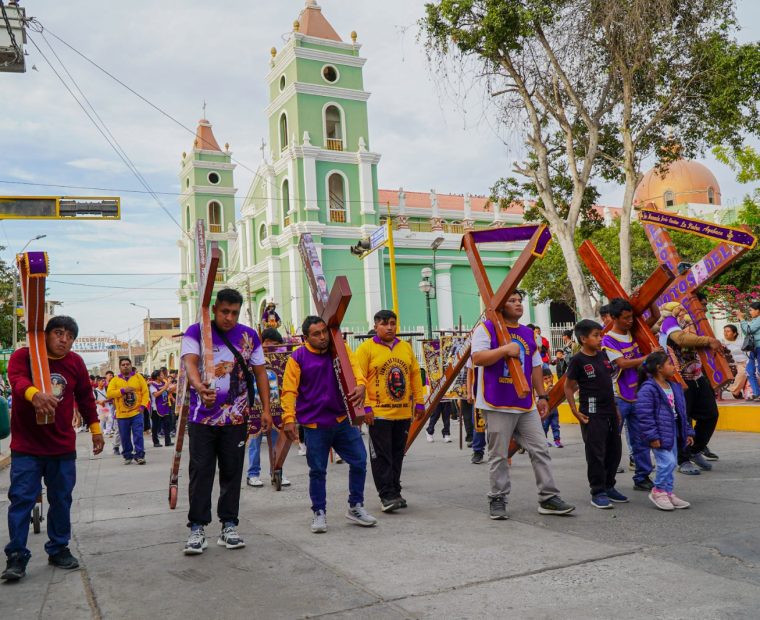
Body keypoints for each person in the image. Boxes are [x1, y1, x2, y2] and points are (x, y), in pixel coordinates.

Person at [2, 316, 105, 582]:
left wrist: (96, 430)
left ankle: (58, 548)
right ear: (45, 335)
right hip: (27, 446)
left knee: (61, 499)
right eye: (58, 333)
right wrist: (35, 394)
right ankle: (16, 556)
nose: (64, 339)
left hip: (61, 446)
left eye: (70, 336)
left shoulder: (75, 363)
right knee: (22, 500)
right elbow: (17, 380)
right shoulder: (23, 356)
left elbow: (85, 398)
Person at [181, 288, 272, 555]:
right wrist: (199, 387)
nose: (229, 317)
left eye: (234, 312)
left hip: (236, 419)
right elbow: (190, 363)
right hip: (202, 419)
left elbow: (260, 374)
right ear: (214, 309)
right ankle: (197, 528)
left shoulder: (250, 336)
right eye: (224, 312)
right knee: (201, 473)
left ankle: (229, 524)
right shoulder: (195, 332)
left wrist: (265, 409)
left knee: (232, 473)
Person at [471, 290, 575, 520]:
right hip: (497, 401)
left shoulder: (528, 333)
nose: (518, 304)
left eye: (520, 301)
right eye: (512, 301)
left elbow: (536, 366)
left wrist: (542, 396)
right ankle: (497, 498)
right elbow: (477, 358)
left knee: (540, 448)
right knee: (498, 454)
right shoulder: (487, 328)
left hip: (525, 403)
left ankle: (548, 497)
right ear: (500, 305)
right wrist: (504, 350)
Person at [281, 316, 376, 533]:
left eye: (324, 331)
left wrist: (361, 385)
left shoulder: (339, 350)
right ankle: (319, 512)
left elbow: (355, 369)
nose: (323, 337)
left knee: (360, 461)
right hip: (314, 426)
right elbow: (289, 391)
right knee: (317, 470)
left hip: (342, 420)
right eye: (316, 334)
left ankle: (355, 506)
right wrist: (288, 419)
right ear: (306, 337)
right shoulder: (297, 358)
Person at [356, 310, 424, 513]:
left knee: (397, 455)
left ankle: (395, 490)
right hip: (378, 414)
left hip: (402, 413)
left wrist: (419, 402)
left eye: (393, 323)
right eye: (384, 324)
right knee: (382, 456)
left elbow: (414, 376)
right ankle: (386, 495)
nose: (390, 327)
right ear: (376, 326)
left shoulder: (405, 348)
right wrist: (365, 407)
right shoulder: (365, 349)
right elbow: (359, 379)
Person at [564, 319, 627, 509]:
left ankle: (609, 486)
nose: (600, 339)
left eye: (600, 335)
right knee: (596, 453)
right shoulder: (577, 361)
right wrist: (575, 411)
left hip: (609, 410)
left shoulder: (603, 356)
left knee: (614, 451)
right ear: (583, 339)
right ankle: (598, 491)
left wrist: (615, 408)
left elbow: (608, 383)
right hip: (591, 413)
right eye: (596, 335)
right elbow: (568, 387)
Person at [657, 299, 722, 474]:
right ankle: (683, 459)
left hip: (697, 376)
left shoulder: (691, 322)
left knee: (710, 415)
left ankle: (695, 449)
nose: (704, 308)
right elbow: (682, 339)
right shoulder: (669, 322)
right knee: (683, 420)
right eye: (702, 304)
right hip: (678, 378)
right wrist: (708, 340)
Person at [602, 297, 654, 492]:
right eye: (625, 318)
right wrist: (646, 358)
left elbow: (655, 316)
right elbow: (622, 363)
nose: (630, 321)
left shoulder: (634, 332)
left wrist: (648, 296)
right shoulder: (607, 339)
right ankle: (607, 481)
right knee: (613, 440)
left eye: (632, 317)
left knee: (641, 438)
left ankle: (642, 476)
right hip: (618, 397)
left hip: (637, 394)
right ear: (614, 318)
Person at [636, 351, 694, 511]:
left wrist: (688, 431)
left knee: (672, 462)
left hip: (673, 429)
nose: (673, 366)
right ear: (659, 368)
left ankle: (668, 492)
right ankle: (658, 491)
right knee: (666, 462)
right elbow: (645, 415)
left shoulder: (674, 387)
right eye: (670, 363)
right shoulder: (648, 389)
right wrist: (652, 436)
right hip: (659, 432)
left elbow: (682, 412)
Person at [246, 328, 290, 489]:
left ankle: (277, 471)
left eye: (276, 345)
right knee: (254, 442)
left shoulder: (281, 360)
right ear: (262, 342)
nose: (272, 347)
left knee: (277, 440)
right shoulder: (252, 356)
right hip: (255, 407)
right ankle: (253, 474)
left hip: (275, 407)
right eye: (269, 343)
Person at [106, 357, 149, 465]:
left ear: (131, 365)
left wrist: (143, 406)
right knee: (124, 436)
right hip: (122, 415)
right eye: (123, 364)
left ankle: (139, 456)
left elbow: (145, 392)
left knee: (138, 435)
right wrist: (122, 390)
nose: (125, 366)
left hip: (136, 413)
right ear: (120, 367)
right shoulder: (115, 380)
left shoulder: (138, 377)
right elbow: (109, 394)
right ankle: (127, 455)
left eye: (127, 364)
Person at [735, 301, 760, 400]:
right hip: (754, 348)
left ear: (758, 310)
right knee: (749, 370)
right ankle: (756, 392)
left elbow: (749, 330)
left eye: (751, 310)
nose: (750, 312)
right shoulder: (754, 320)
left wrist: (742, 319)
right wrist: (742, 321)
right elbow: (746, 332)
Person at [721, 324, 749, 400]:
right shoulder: (722, 342)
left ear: (734, 333)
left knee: (755, 372)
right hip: (734, 363)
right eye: (724, 331)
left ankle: (752, 392)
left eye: (728, 331)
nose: (725, 333)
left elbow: (748, 352)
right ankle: (734, 391)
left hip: (747, 361)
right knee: (743, 372)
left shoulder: (742, 341)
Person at [149, 369, 173, 448]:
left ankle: (168, 441)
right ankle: (156, 442)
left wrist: (170, 387)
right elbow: (156, 394)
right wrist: (165, 388)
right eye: (162, 375)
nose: (163, 376)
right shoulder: (152, 385)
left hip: (165, 406)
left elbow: (168, 391)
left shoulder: (164, 383)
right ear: (157, 377)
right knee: (156, 426)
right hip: (156, 408)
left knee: (167, 424)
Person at [541, 368, 562, 448]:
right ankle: (544, 441)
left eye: (549, 377)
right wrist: (547, 389)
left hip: (554, 410)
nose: (548, 380)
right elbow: (542, 396)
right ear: (542, 380)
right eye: (545, 378)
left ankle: (557, 441)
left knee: (555, 426)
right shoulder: (542, 387)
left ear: (553, 376)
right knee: (545, 427)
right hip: (546, 411)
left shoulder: (555, 385)